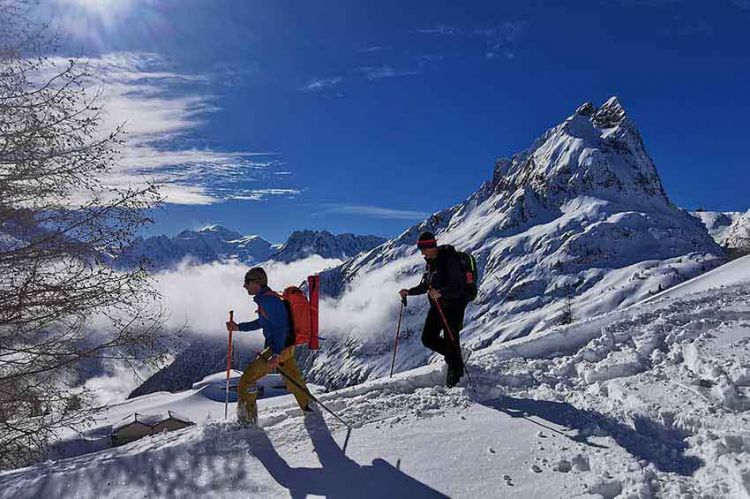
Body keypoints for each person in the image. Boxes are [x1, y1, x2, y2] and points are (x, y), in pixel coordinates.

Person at [226, 267, 311, 426]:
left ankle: (247, 421)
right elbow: (263, 322)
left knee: (248, 378)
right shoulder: (265, 299)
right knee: (293, 378)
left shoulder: (268, 301)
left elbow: (281, 327)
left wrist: (277, 354)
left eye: (247, 282)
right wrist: (239, 327)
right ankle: (308, 406)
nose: (244, 286)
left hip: (280, 347)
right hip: (285, 346)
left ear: (256, 283)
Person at [399, 232, 469, 388]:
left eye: (422, 248)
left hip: (453, 307)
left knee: (451, 339)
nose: (421, 252)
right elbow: (426, 285)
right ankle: (456, 356)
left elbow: (458, 288)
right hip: (437, 307)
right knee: (428, 338)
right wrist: (409, 292)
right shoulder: (430, 262)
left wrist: (441, 293)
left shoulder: (449, 260)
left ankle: (456, 378)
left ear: (430, 246)